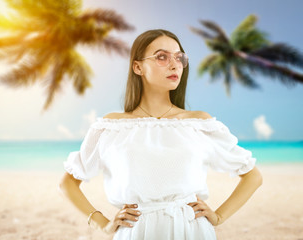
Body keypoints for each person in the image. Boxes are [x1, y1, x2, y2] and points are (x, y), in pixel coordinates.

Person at [59, 29, 263, 240]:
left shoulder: (198, 123)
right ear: (137, 67)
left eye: (179, 57)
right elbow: (67, 183)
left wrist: (219, 216)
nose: (174, 64)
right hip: (136, 232)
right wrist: (102, 223)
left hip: (191, 231)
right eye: (162, 57)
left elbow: (252, 175)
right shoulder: (112, 127)